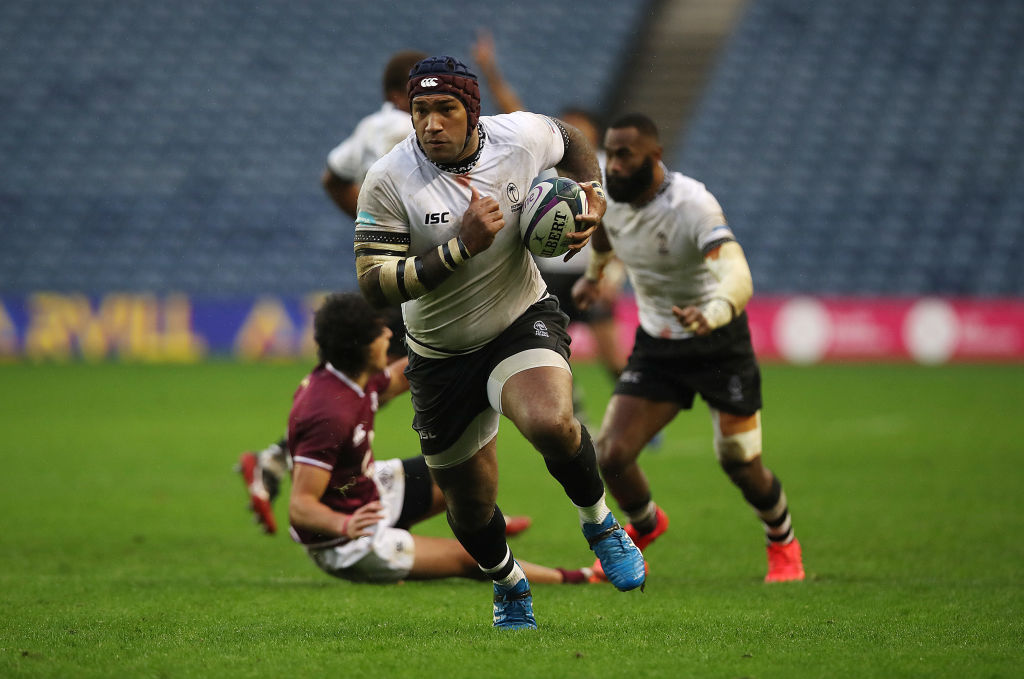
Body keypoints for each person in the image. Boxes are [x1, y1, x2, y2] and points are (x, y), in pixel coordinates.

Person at [354, 55, 646, 629]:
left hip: (519, 319)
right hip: (438, 353)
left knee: (551, 423)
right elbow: (373, 282)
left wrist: (592, 192)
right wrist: (458, 248)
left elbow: (573, 138)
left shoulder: (520, 137)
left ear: (472, 110)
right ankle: (509, 584)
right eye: (420, 110)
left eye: (445, 109)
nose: (431, 123)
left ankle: (600, 523)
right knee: (470, 504)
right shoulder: (389, 177)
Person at [572, 113, 805, 583]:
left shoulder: (692, 203)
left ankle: (782, 540)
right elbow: (604, 235)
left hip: (718, 342)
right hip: (658, 346)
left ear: (655, 156)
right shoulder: (607, 195)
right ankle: (645, 525)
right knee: (611, 455)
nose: (613, 165)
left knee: (739, 462)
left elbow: (738, 274)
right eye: (610, 154)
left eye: (624, 156)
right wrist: (594, 277)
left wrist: (713, 312)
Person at [236, 51, 428, 529]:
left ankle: (277, 457)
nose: (432, 97)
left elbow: (332, 177)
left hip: (389, 268)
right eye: (420, 88)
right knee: (405, 369)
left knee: (380, 377)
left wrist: (370, 226)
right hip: (415, 275)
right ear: (398, 94)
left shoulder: (368, 128)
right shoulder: (407, 129)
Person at [285, 292, 592, 586]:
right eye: (379, 332)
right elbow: (300, 506)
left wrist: (465, 344)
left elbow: (401, 376)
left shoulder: (348, 377)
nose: (388, 335)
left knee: (461, 475)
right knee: (471, 558)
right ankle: (578, 576)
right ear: (361, 347)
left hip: (366, 490)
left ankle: (483, 521)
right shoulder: (329, 414)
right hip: (345, 538)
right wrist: (344, 526)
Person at [471, 32, 627, 418]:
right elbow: (514, 110)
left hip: (591, 272)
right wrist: (490, 70)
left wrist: (613, 275)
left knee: (611, 353)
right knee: (549, 350)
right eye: (566, 125)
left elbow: (623, 228)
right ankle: (573, 409)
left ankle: (631, 408)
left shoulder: (605, 169)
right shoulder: (545, 160)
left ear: (593, 134)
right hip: (547, 273)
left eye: (578, 127)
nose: (570, 131)